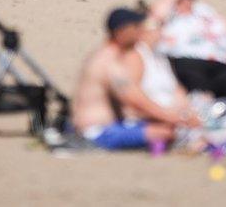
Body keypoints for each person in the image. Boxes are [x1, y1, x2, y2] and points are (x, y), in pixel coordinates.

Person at [72, 8, 200, 150]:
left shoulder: (114, 57)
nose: (141, 32)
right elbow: (133, 98)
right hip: (96, 132)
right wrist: (173, 118)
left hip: (112, 126)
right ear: (121, 31)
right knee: (165, 133)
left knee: (166, 129)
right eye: (136, 27)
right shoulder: (107, 61)